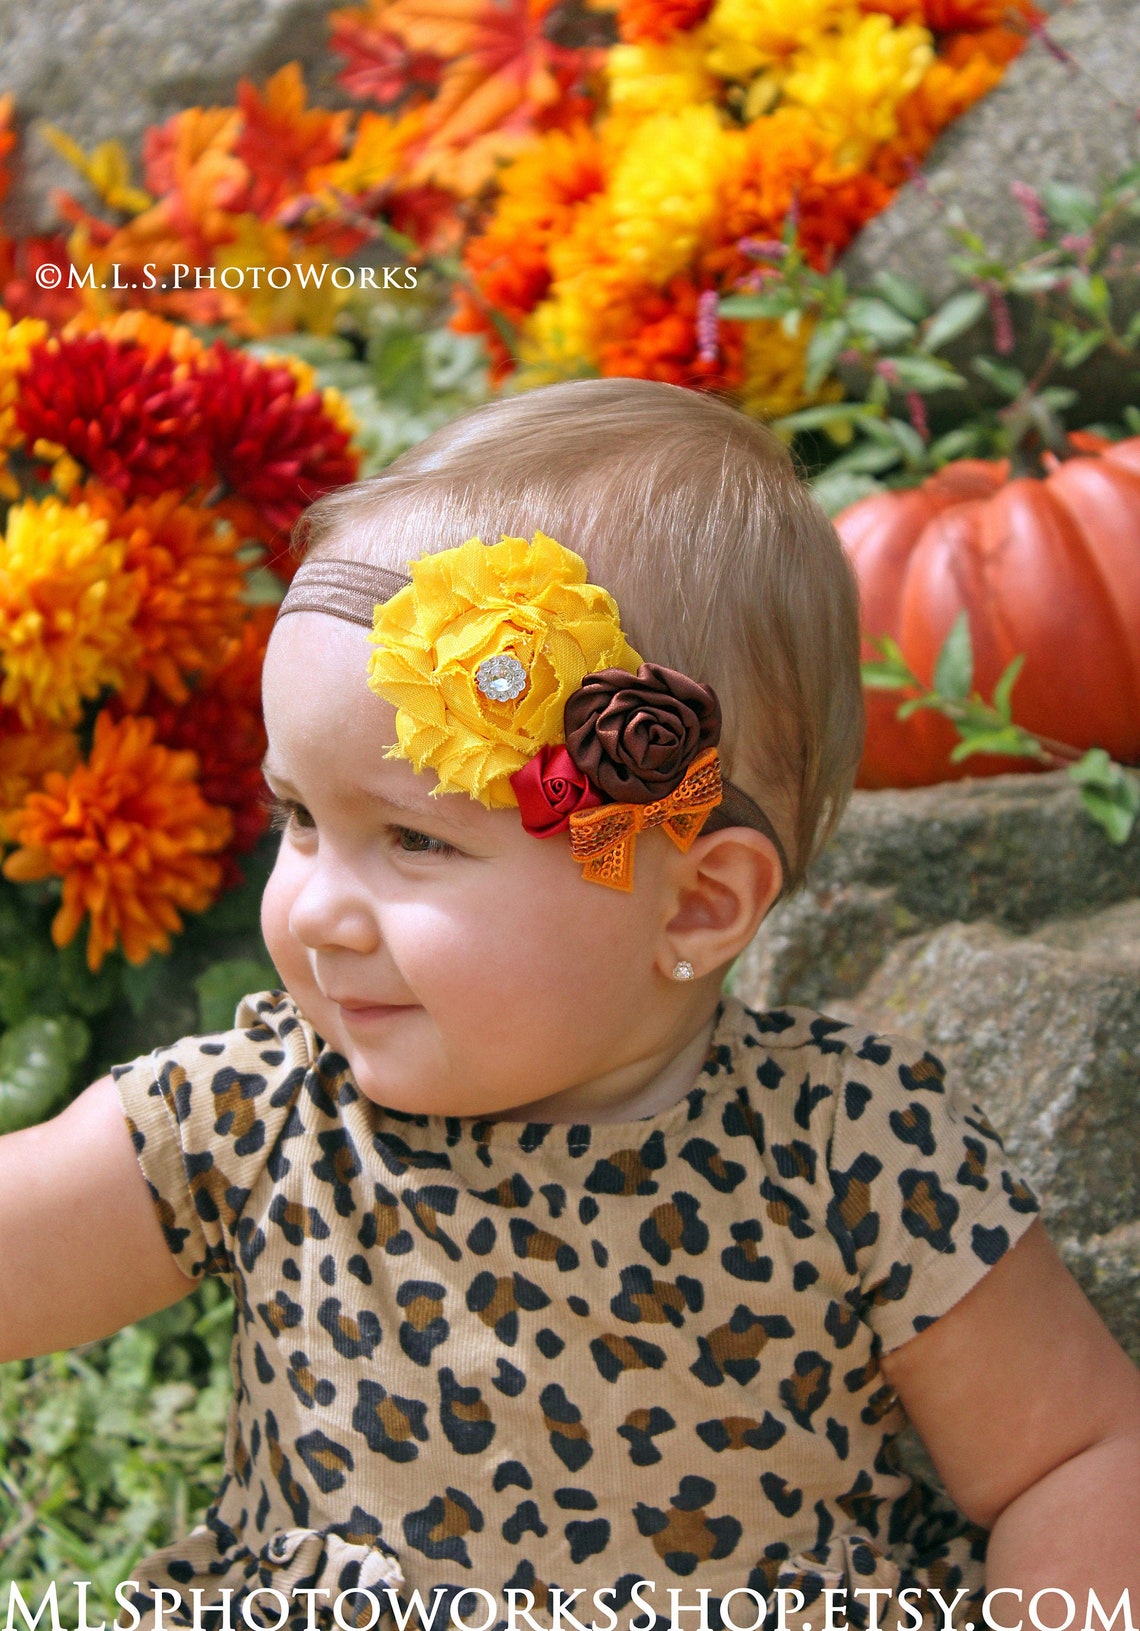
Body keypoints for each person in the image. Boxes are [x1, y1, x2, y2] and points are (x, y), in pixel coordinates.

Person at [1, 378, 1138, 1631]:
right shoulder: (260, 1110)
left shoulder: (850, 1143)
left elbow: (1073, 1452)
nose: (316, 905)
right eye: (302, 819)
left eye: (416, 842)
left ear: (697, 906)